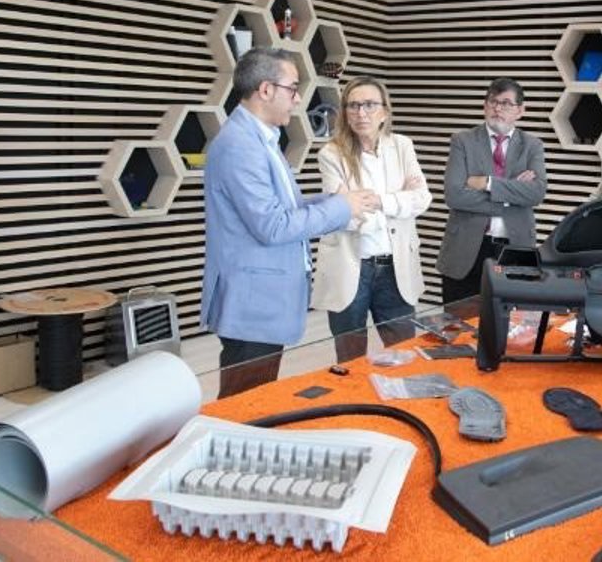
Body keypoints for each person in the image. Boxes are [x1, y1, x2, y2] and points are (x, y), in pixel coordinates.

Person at [201, 48, 378, 396]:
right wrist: (341, 208)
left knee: (257, 395)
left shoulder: (260, 138)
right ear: (266, 90)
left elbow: (284, 208)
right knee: (244, 404)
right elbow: (274, 226)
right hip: (253, 302)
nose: (298, 99)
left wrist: (332, 201)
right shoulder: (240, 145)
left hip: (262, 299)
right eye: (293, 89)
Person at [312, 76, 432, 362]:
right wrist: (398, 201)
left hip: (394, 268)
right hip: (350, 266)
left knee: (404, 353)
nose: (361, 113)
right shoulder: (331, 154)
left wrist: (379, 201)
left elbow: (422, 198)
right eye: (353, 105)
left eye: (369, 105)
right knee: (350, 357)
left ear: (384, 112)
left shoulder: (402, 146)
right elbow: (342, 215)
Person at [438, 78, 547, 308]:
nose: (498, 108)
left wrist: (488, 183)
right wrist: (512, 197)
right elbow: (454, 195)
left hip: (514, 249)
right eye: (493, 102)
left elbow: (536, 193)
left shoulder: (532, 146)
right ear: (485, 106)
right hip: (466, 250)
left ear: (520, 111)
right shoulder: (463, 141)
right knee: (457, 323)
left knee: (510, 323)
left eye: (506, 103)